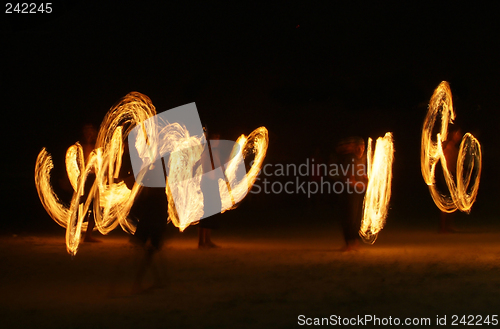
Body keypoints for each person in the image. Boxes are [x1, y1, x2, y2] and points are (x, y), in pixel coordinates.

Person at [332, 136, 368, 251]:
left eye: (363, 147)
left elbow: (363, 175)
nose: (361, 149)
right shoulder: (350, 160)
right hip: (348, 193)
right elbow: (348, 180)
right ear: (355, 148)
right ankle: (348, 243)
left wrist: (367, 180)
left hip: (358, 193)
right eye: (358, 147)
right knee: (349, 218)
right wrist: (363, 185)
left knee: (357, 218)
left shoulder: (362, 159)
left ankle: (355, 241)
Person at [196, 130, 224, 249]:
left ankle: (207, 240)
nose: (217, 140)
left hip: (212, 182)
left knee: (212, 211)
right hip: (208, 183)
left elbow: (219, 167)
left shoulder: (214, 153)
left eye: (218, 137)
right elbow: (208, 169)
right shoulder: (207, 153)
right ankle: (202, 241)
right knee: (207, 211)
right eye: (215, 137)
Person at [439, 125, 462, 233]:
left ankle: (448, 226)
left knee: (453, 202)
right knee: (448, 202)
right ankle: (444, 227)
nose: (459, 136)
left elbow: (455, 164)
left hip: (452, 175)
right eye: (457, 134)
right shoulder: (448, 146)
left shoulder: (455, 148)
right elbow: (448, 163)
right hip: (448, 176)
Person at [81, 123, 101, 242]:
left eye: (91, 131)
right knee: (83, 204)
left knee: (94, 206)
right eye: (87, 131)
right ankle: (80, 233)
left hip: (93, 178)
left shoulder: (96, 146)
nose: (89, 133)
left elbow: (99, 164)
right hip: (85, 178)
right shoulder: (81, 147)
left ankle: (87, 235)